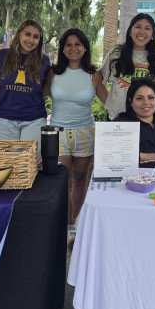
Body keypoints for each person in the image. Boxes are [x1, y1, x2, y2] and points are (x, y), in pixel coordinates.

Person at [45, 28, 107, 229]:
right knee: (62, 180)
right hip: (58, 132)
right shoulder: (53, 73)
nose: (73, 48)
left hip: (85, 133)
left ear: (85, 48)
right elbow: (38, 95)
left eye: (78, 44)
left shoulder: (94, 75)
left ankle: (74, 224)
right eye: (68, 44)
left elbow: (109, 102)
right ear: (62, 49)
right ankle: (63, 222)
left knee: (80, 179)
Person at [0, 19, 50, 153]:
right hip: (5, 119)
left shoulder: (44, 60)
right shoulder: (3, 55)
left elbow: (46, 89)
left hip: (34, 119)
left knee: (29, 163)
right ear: (19, 34)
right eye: (27, 34)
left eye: (36, 37)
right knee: (9, 164)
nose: (31, 40)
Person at [99, 13, 155, 119]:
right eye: (138, 26)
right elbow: (99, 80)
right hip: (117, 121)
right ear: (130, 31)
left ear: (152, 35)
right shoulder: (116, 53)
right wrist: (110, 105)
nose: (142, 32)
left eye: (147, 28)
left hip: (148, 122)